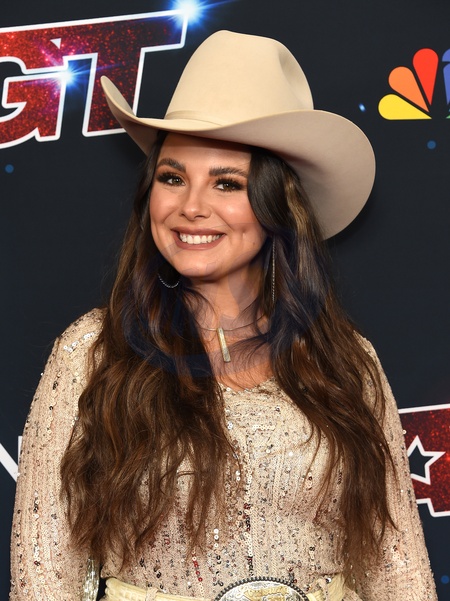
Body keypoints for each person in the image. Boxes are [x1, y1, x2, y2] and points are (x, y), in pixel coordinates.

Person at [10, 31, 437, 601]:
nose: (191, 206)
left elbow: (398, 570)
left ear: (277, 205)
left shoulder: (346, 360)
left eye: (227, 183)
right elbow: (43, 574)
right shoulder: (91, 351)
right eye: (172, 177)